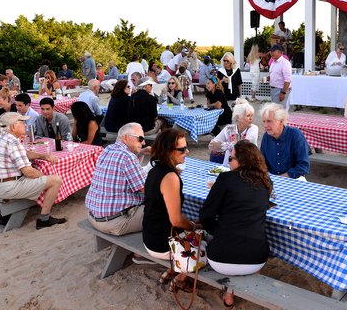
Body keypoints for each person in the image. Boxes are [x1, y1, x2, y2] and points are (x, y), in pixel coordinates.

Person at [200, 140, 272, 308]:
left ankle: (229, 293)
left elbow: (206, 216)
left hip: (221, 259)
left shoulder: (225, 178)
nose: (228, 162)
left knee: (227, 240)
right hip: (257, 260)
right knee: (249, 239)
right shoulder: (266, 182)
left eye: (231, 159)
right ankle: (234, 289)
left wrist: (217, 232)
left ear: (242, 161)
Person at [0, 112, 66, 230]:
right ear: (13, 127)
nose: (25, 124)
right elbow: (28, 172)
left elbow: (25, 154)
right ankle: (44, 219)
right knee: (55, 180)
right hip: (8, 187)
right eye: (22, 122)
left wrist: (42, 156)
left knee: (42, 178)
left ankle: (5, 216)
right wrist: (44, 178)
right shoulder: (13, 142)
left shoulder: (2, 137)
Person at [143, 128, 196, 290]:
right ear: (168, 152)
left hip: (149, 237)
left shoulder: (154, 171)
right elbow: (176, 220)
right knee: (207, 243)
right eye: (182, 149)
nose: (187, 152)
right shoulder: (170, 177)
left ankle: (172, 270)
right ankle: (181, 277)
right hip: (163, 245)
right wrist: (193, 226)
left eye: (187, 147)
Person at [85, 123, 148, 236]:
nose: (143, 143)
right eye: (140, 139)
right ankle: (142, 252)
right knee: (166, 210)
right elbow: (146, 190)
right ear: (126, 138)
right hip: (114, 222)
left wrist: (142, 152)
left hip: (93, 215)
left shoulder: (108, 149)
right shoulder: (128, 157)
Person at [260, 103, 309, 179]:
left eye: (269, 121)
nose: (265, 125)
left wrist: (282, 178)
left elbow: (303, 166)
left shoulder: (295, 135)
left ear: (281, 121)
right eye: (264, 121)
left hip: (294, 178)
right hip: (271, 178)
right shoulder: (266, 136)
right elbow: (262, 161)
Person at [208, 98, 258, 163]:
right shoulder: (229, 129)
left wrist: (223, 146)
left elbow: (244, 145)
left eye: (252, 116)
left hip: (248, 165)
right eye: (248, 116)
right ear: (237, 118)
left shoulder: (253, 128)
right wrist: (230, 145)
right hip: (229, 165)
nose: (251, 118)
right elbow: (211, 145)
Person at [268, 44, 292, 110]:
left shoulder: (285, 63)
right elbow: (274, 73)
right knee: (275, 110)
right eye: (271, 51)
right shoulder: (273, 62)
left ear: (280, 52)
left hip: (280, 89)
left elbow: (287, 80)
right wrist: (269, 77)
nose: (271, 53)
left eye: (273, 51)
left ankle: (282, 120)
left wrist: (283, 93)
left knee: (280, 110)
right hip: (274, 89)